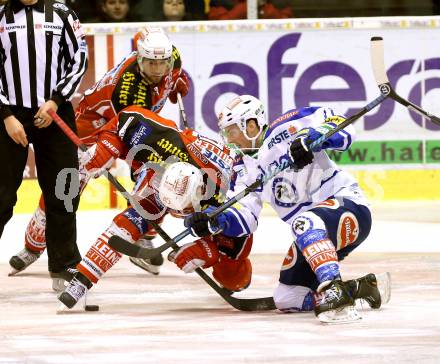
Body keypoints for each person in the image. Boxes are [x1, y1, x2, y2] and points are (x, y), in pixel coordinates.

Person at [182, 95, 389, 323]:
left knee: (304, 222)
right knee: (287, 298)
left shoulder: (291, 124)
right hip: (311, 236)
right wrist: (213, 221)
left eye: (231, 132)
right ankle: (360, 289)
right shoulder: (243, 169)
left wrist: (314, 137)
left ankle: (337, 295)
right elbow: (245, 217)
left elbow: (342, 127)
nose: (229, 140)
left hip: (348, 206)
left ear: (251, 125)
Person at [9, 26, 190, 278]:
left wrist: (179, 81)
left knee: (154, 173)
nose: (159, 71)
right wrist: (101, 158)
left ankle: (142, 233)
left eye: (163, 64)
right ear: (139, 60)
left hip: (133, 124)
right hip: (95, 122)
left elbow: (175, 73)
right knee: (70, 182)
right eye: (151, 64)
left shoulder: (172, 59)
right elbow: (130, 131)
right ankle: (34, 244)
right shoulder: (128, 91)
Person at [57, 106, 253, 309]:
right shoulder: (166, 143)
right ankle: (81, 280)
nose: (177, 213)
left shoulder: (230, 183)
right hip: (161, 172)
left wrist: (209, 251)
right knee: (131, 222)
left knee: (233, 277)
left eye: (183, 209)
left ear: (199, 193)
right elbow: (127, 118)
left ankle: (228, 270)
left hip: (212, 191)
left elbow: (245, 227)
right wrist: (107, 147)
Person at [0, 0, 88, 289]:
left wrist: (56, 100)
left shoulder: (62, 13)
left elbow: (79, 59)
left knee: (64, 190)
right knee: (1, 196)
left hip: (55, 112)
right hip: (9, 116)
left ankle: (64, 266)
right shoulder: (0, 17)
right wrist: (6, 116)